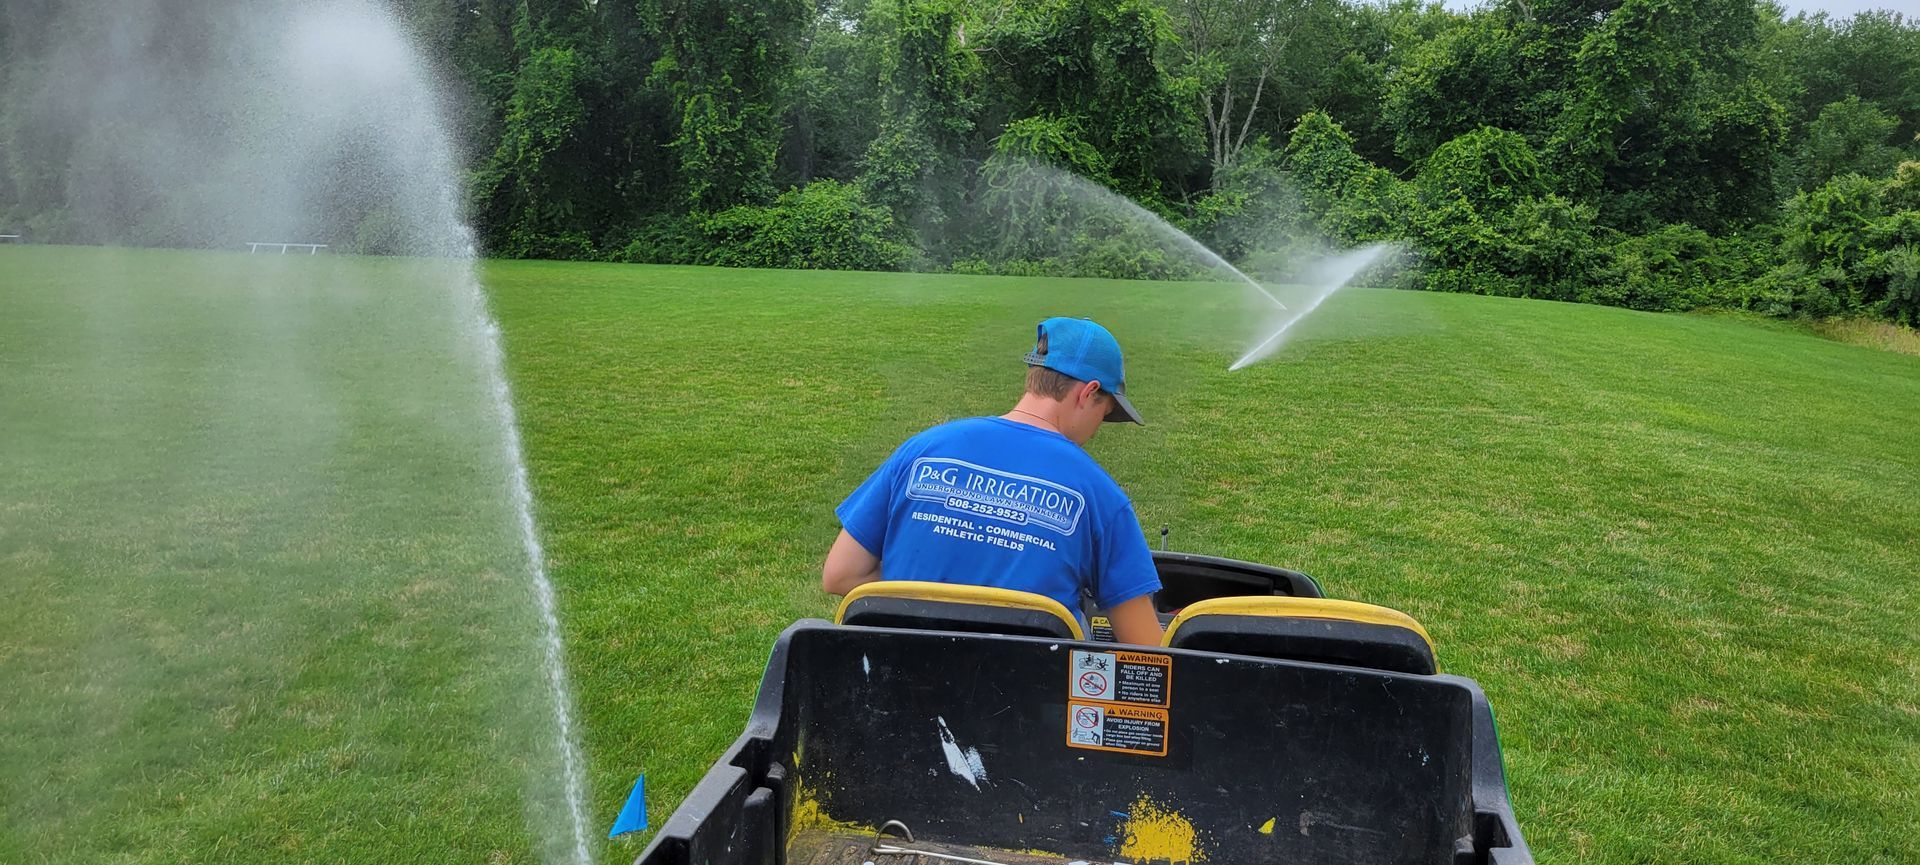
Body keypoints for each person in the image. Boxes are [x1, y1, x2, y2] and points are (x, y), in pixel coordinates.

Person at [822, 317, 1164, 645]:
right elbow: (1148, 646)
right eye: (1103, 415)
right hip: (1029, 696)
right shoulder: (1099, 493)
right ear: (1088, 393)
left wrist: (931, 601)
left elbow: (841, 574)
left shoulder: (924, 449)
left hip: (899, 684)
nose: (1095, 431)